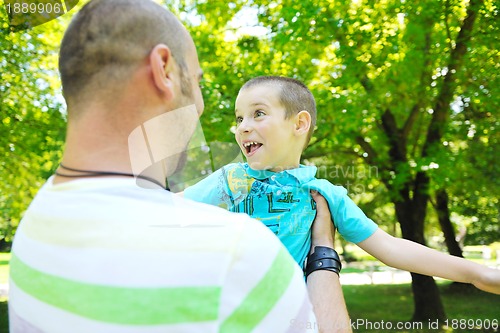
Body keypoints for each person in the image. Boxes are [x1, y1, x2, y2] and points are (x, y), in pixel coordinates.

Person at [8, 2, 351, 333]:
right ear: (164, 71)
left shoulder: (36, 222)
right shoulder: (235, 254)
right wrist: (323, 251)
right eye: (197, 81)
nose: (199, 105)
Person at [183, 75, 500, 295]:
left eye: (258, 114)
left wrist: (477, 273)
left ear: (300, 123)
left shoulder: (321, 194)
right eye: (239, 119)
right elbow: (170, 207)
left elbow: (390, 247)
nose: (243, 128)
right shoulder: (233, 180)